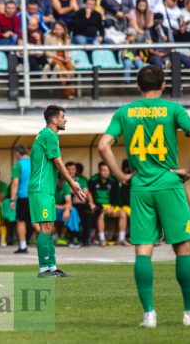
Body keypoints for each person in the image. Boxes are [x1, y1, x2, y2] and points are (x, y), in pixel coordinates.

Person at [98, 65, 190, 328]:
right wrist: (188, 170)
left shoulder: (124, 112)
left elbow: (103, 145)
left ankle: (149, 315)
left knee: (143, 250)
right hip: (168, 183)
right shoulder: (173, 109)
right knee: (183, 248)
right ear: (163, 85)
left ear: (137, 86)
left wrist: (119, 175)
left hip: (140, 185)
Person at [28, 105, 86, 277]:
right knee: (45, 227)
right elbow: (59, 163)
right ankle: (43, 269)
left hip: (46, 189)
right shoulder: (49, 135)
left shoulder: (46, 135)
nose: (65, 119)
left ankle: (51, 267)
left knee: (49, 227)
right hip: (41, 189)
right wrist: (73, 183)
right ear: (54, 120)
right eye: (63, 116)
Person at [87, 162, 127, 246]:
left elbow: (116, 196)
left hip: (110, 206)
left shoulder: (113, 180)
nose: (106, 172)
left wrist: (112, 207)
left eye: (108, 170)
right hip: (98, 206)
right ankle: (102, 239)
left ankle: (121, 239)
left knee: (123, 214)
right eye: (104, 170)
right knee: (100, 213)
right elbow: (89, 193)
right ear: (99, 170)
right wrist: (92, 204)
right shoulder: (93, 180)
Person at [10, 145, 31, 254]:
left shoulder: (18, 165)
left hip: (23, 196)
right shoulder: (34, 162)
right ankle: (48, 243)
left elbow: (15, 183)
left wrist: (12, 200)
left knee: (21, 221)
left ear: (18, 153)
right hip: (35, 195)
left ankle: (23, 246)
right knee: (37, 221)